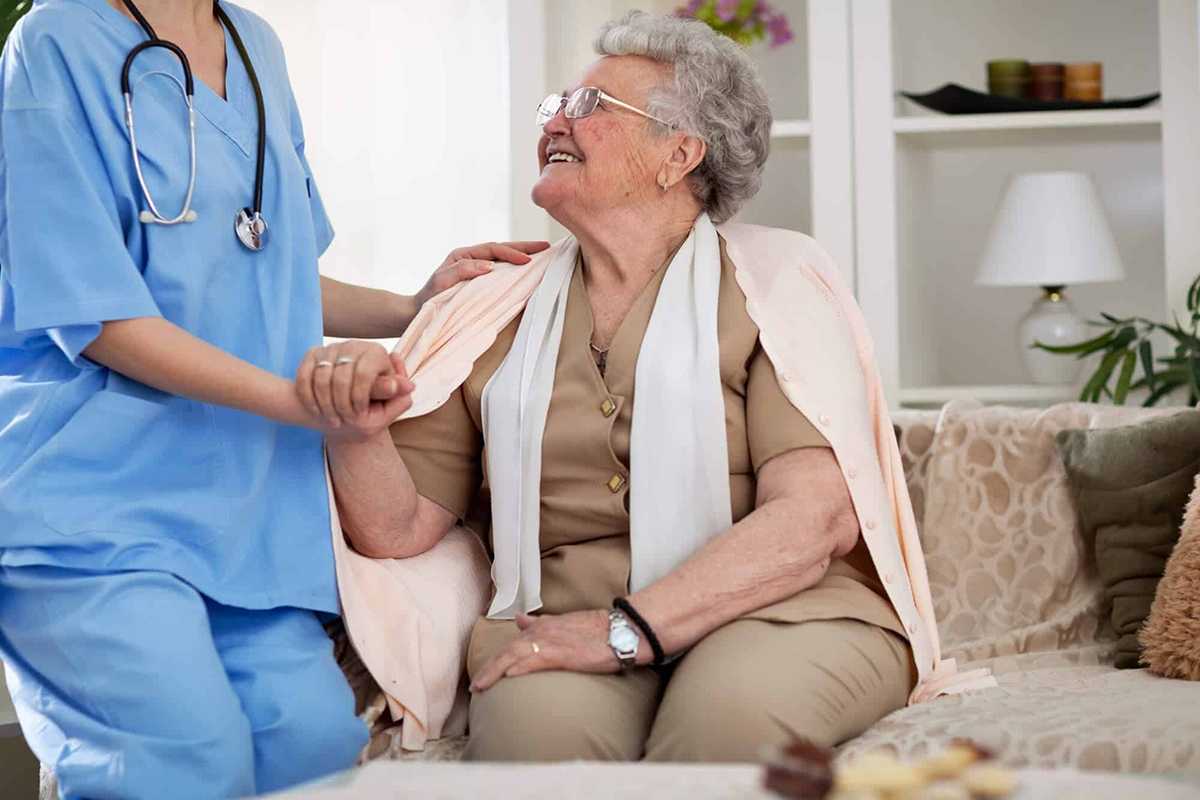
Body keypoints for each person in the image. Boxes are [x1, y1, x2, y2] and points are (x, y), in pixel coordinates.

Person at [323, 11, 920, 763]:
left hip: (780, 613)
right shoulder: (492, 305)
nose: (555, 124)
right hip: (558, 616)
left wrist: (628, 629)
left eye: (591, 107)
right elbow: (398, 529)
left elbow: (813, 522)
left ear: (678, 155)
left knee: (723, 728)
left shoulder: (777, 282)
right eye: (556, 108)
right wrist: (354, 425)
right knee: (533, 747)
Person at [0, 0, 545, 797]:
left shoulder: (255, 47)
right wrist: (300, 402)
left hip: (246, 511)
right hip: (94, 502)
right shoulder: (55, 44)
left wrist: (411, 304)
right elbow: (97, 315)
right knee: (185, 756)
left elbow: (263, 259)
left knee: (311, 741)